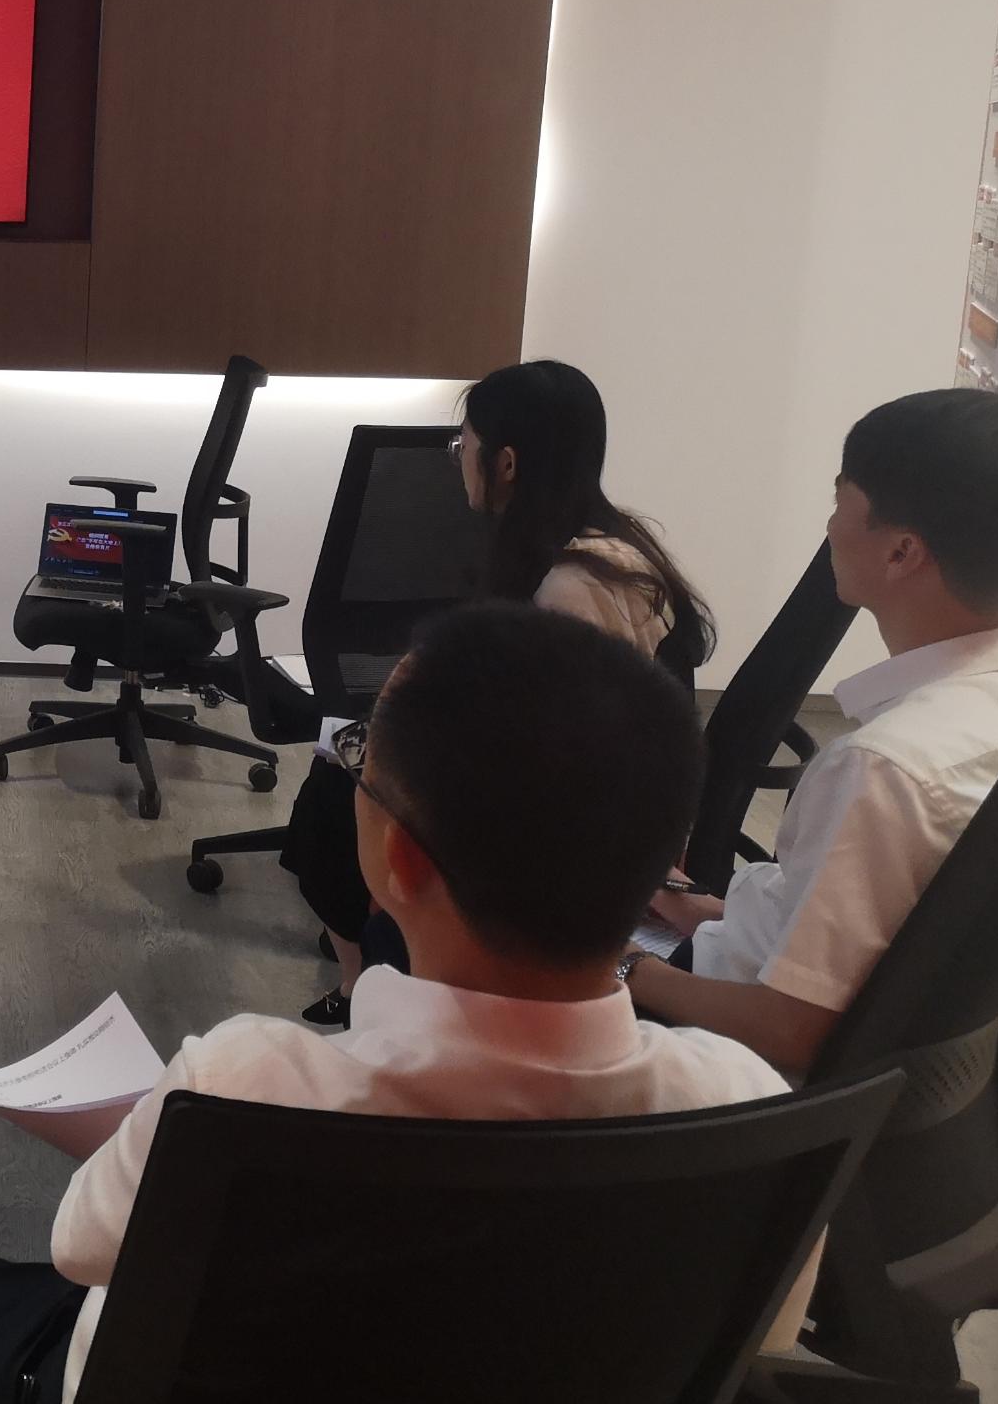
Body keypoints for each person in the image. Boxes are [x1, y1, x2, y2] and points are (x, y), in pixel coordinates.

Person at [0, 604, 790, 1404]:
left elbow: (83, 1247)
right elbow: (769, 1334)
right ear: (665, 862)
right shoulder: (742, 1104)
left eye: (360, 759)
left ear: (399, 858)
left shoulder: (246, 1086)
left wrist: (147, 1130)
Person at [287, 357, 715, 1025]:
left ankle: (364, 981)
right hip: (613, 809)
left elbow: (551, 763)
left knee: (333, 793)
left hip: (566, 834)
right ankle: (369, 965)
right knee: (346, 764)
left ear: (506, 463)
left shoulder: (570, 588)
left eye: (464, 446)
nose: (460, 460)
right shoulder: (614, 544)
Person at [630, 389, 998, 1076]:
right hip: (756, 966)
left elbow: (789, 1031)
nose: (831, 525)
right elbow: (856, 932)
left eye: (841, 501)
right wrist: (690, 904)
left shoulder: (884, 768)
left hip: (728, 1050)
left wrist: (620, 968)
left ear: (901, 552)